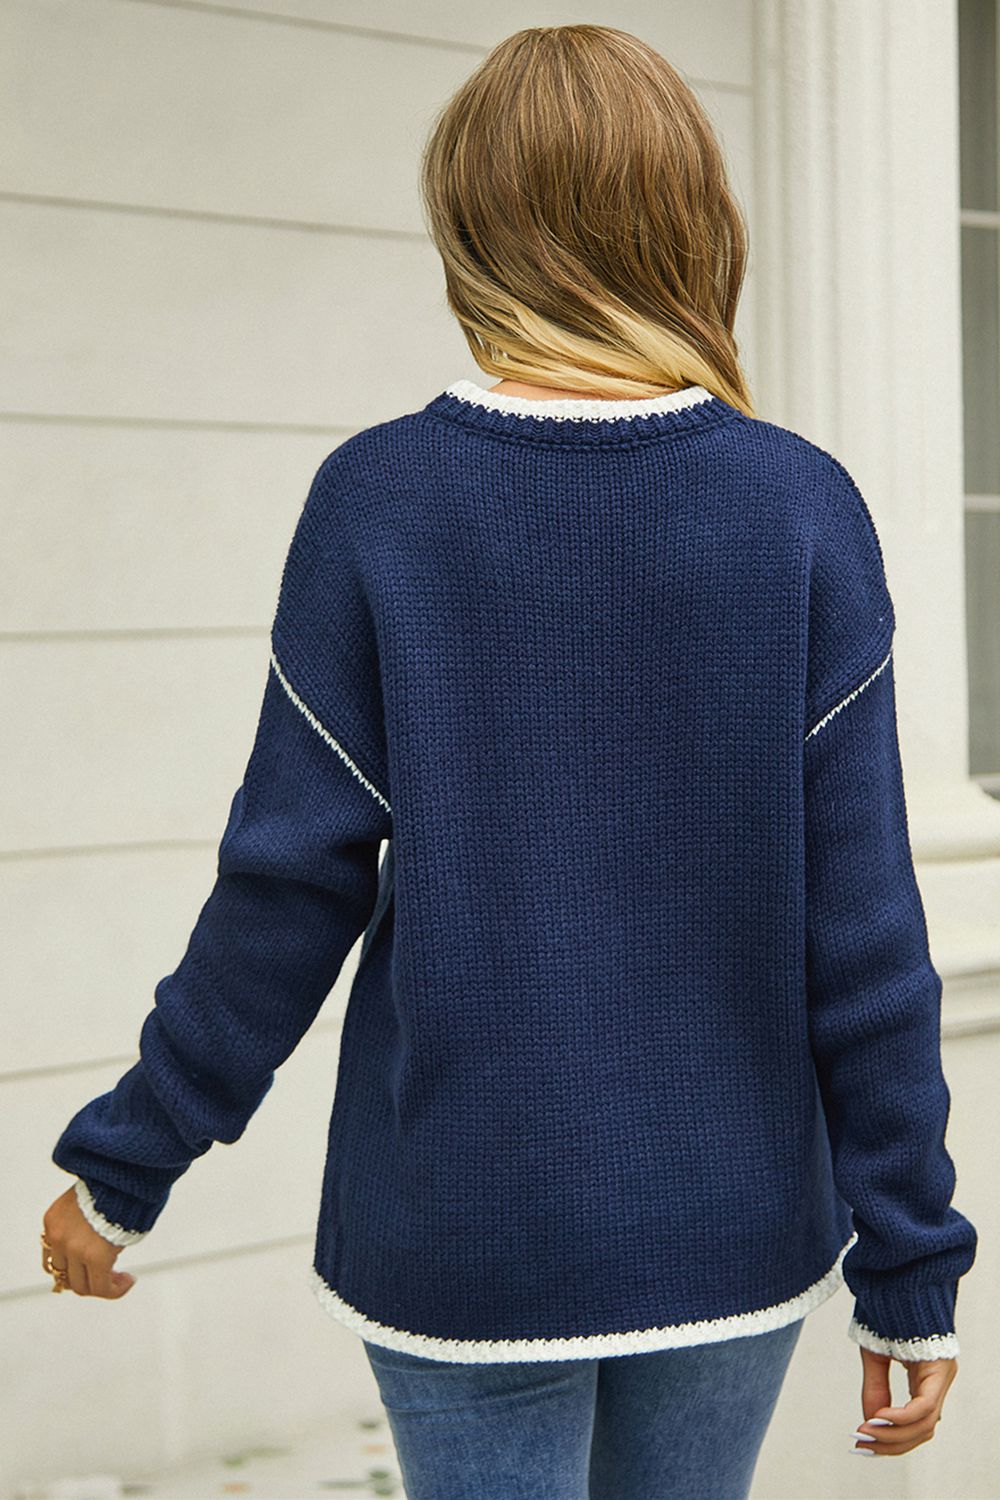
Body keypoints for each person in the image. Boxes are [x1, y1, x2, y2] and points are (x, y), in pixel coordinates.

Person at [41, 23, 977, 1500]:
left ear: (471, 228)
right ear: (695, 220)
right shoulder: (798, 510)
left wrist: (128, 1161)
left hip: (459, 1228)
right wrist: (910, 1262)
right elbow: (864, 931)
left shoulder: (378, 501)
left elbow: (287, 888)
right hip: (726, 1222)